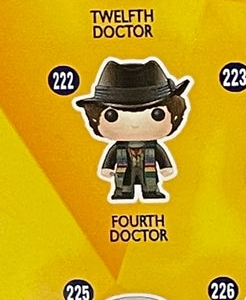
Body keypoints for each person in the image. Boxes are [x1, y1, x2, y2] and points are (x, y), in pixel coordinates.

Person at [74, 57, 189, 202]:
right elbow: (111, 157)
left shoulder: (153, 147)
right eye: (112, 116)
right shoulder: (118, 148)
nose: (134, 124)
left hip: (148, 172)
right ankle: (123, 192)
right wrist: (107, 168)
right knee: (124, 183)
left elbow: (160, 156)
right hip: (125, 172)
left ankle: (151, 191)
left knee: (150, 181)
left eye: (157, 114)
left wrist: (165, 167)